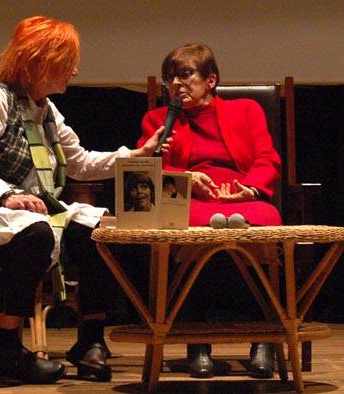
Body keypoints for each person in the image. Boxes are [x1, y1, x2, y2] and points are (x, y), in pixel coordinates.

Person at [0, 16, 164, 384]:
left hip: (28, 211)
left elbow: (80, 162)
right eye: (67, 62)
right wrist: (8, 195)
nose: (75, 69)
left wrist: (136, 154)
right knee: (36, 231)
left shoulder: (45, 109)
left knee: (98, 229)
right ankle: (5, 347)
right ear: (40, 61)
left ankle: (90, 340)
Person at [137, 43, 281, 379]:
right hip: (187, 200)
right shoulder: (158, 120)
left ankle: (264, 339)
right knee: (191, 225)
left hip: (240, 196)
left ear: (211, 79)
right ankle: (197, 343)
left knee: (263, 221)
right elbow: (145, 175)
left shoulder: (247, 110)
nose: (176, 84)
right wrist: (183, 178)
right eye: (170, 78)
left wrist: (250, 189)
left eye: (185, 75)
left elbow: (267, 159)